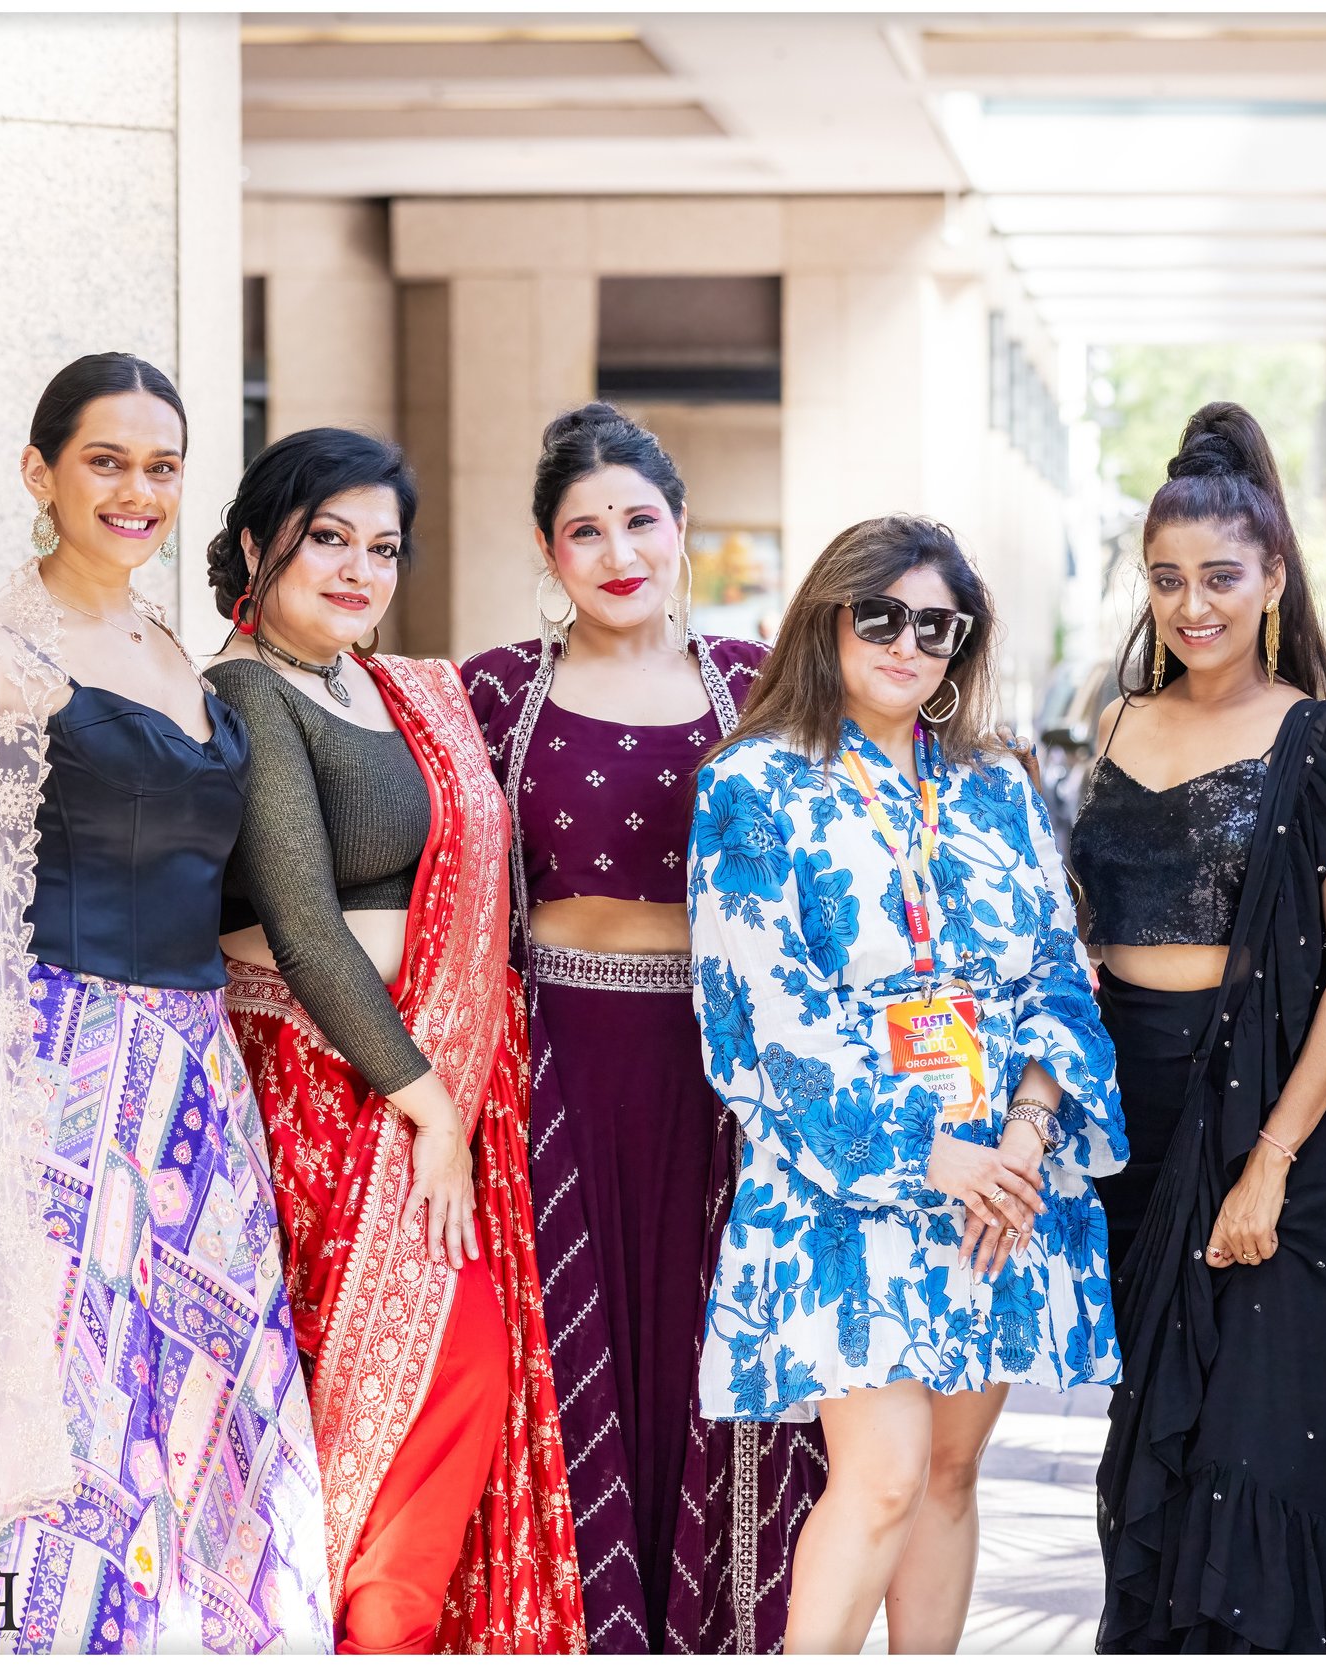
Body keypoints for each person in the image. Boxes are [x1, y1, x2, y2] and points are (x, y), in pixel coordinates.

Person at [0, 354, 329, 1651]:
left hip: (195, 1077)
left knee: (204, 1394)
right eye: (107, 460)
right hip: (57, 1071)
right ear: (41, 474)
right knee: (78, 1399)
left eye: (161, 464)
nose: (138, 489)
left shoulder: (168, 646)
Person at [688, 515, 1125, 1655]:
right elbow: (760, 1014)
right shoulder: (752, 784)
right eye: (879, 614)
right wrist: (933, 1153)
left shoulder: (993, 784)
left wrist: (1026, 1133)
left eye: (938, 624)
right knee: (877, 1475)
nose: (908, 642)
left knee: (946, 1470)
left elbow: (1055, 969)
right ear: (826, 617)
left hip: (1000, 1182)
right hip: (849, 1177)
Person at [204, 429, 582, 1653]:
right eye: (329, 539)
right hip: (328, 1096)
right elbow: (305, 925)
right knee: (407, 1386)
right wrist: (430, 1105)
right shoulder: (247, 689)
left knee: (448, 1387)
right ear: (261, 543)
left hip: (419, 1086)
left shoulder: (396, 686)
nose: (361, 569)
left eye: (383, 547)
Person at [461, 403, 823, 1653]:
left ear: (681, 529)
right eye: (583, 530)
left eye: (639, 521)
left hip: (719, 1080)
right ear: (547, 550)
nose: (617, 551)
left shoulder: (762, 685)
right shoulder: (495, 692)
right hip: (549, 1067)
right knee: (566, 1358)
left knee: (707, 1355)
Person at [1075, 401, 1326, 1653]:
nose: (1190, 604)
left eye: (1219, 576)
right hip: (1132, 1128)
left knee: (1262, 1456)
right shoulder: (1113, 726)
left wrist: (1268, 1160)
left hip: (1279, 1121)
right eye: (1166, 580)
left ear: (1271, 578)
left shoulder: (1320, 742)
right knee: (1149, 1459)